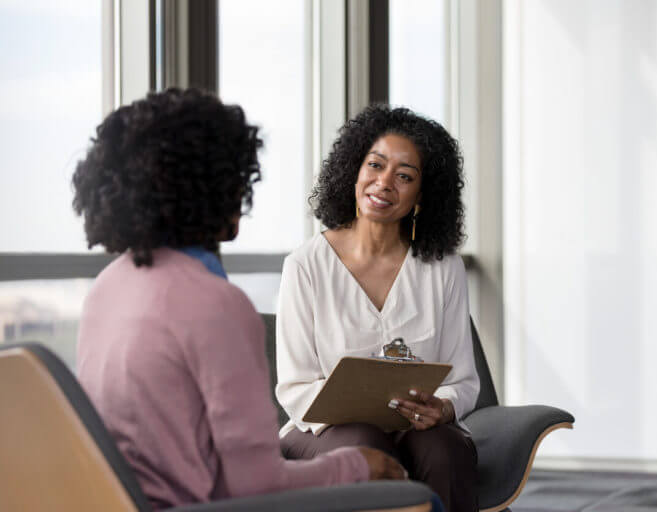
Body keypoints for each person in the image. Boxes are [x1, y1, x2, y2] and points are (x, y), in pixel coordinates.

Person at [72, 88, 405, 510]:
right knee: (417, 498)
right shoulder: (216, 306)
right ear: (224, 189)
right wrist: (358, 465)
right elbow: (257, 487)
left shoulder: (106, 290)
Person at [276, 105, 480, 512]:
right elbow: (294, 386)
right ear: (354, 170)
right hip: (323, 432)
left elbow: (463, 380)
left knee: (444, 448)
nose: (384, 183)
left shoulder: (443, 268)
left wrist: (442, 406)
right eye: (375, 165)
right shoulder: (306, 265)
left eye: (404, 176)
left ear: (422, 196)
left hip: (414, 428)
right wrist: (349, 409)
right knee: (362, 446)